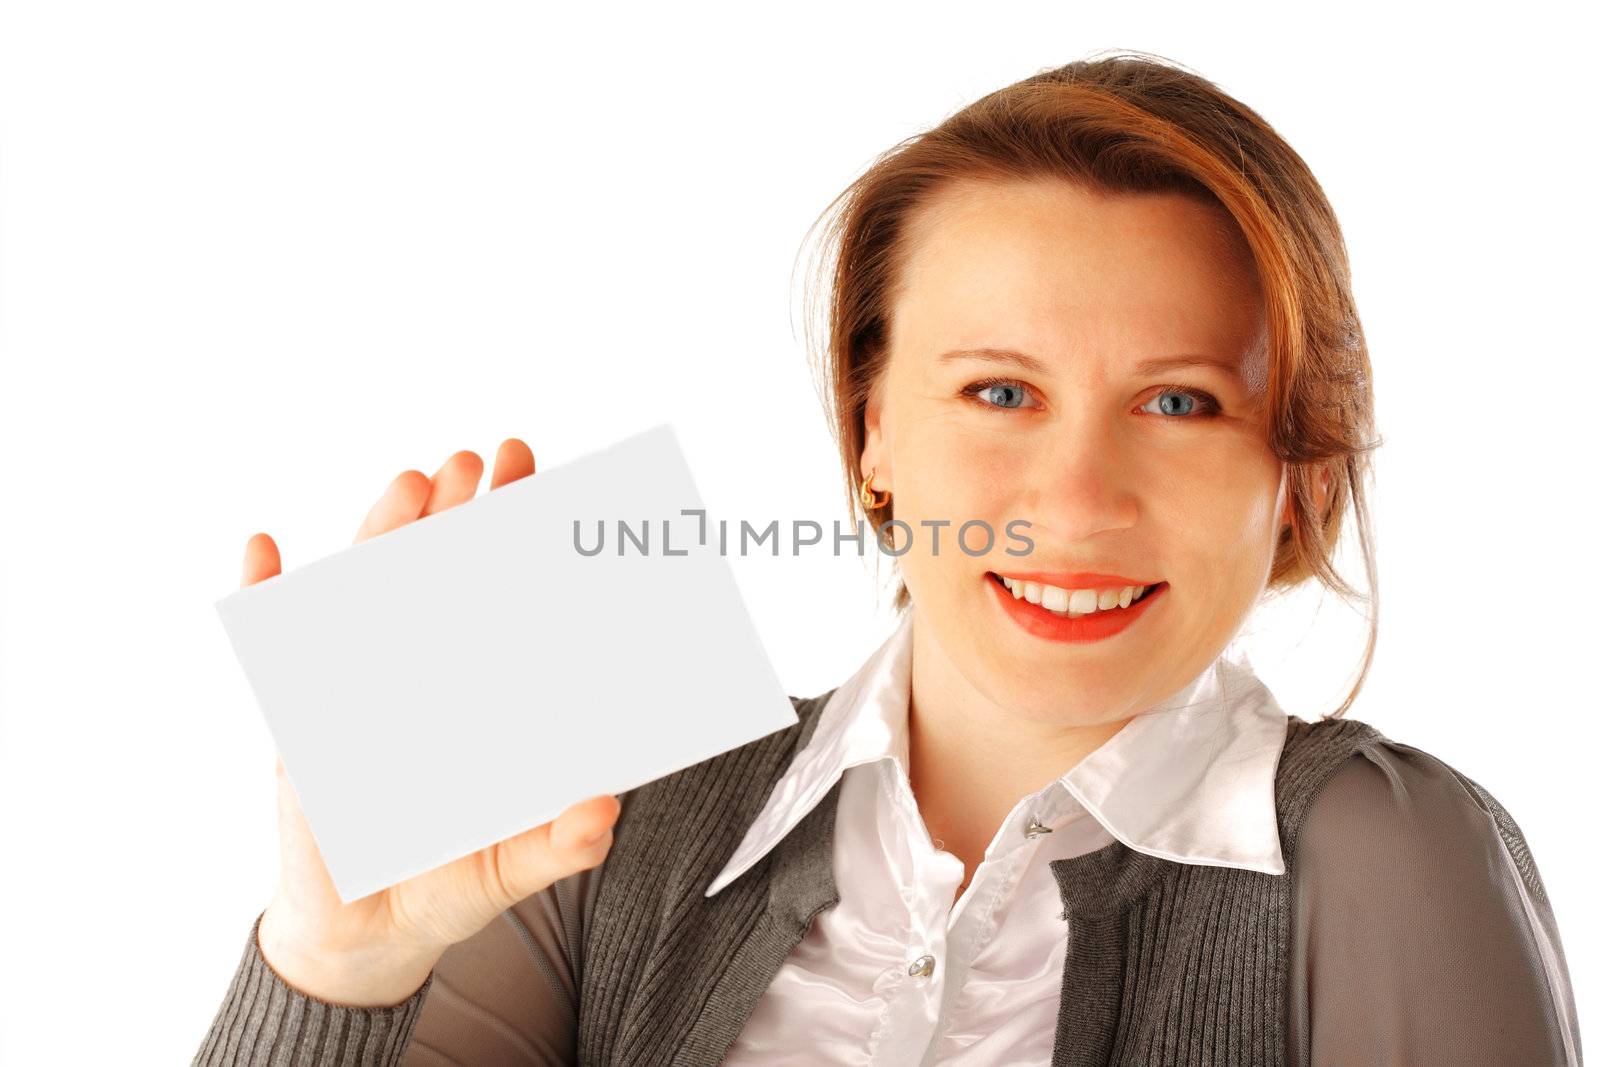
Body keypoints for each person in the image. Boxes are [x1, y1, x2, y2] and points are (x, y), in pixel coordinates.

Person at [193, 51, 1582, 1066]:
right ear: (870, 435)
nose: (1078, 498)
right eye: (997, 392)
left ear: (1299, 475)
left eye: (1179, 402)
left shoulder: (1388, 858)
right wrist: (334, 972)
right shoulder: (605, 803)